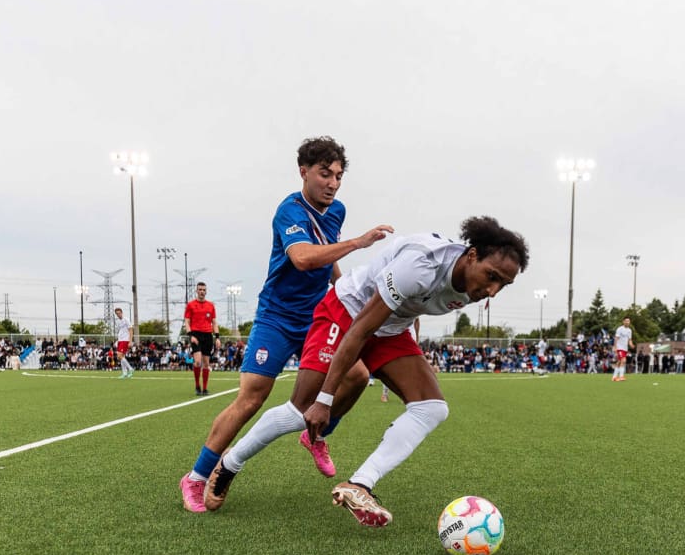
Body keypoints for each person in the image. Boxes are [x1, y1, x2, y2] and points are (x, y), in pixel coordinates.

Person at [202, 216, 529, 527]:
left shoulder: (473, 285)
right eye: (492, 277)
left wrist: (411, 356)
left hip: (391, 326)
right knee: (301, 410)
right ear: (471, 256)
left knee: (432, 407)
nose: (493, 291)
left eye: (505, 284)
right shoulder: (420, 265)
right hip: (346, 312)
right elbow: (359, 331)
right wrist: (325, 400)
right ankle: (229, 464)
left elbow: (415, 307)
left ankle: (359, 485)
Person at [179, 136, 392, 513]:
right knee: (252, 397)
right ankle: (196, 477)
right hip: (277, 316)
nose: (333, 183)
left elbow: (326, 262)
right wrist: (359, 243)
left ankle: (318, 436)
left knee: (358, 376)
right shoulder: (289, 211)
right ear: (304, 172)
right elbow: (305, 258)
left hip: (318, 316)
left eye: (339, 176)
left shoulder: (337, 210)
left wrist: (342, 292)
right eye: (325, 174)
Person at [183, 281, 219, 396]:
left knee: (206, 363)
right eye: (200, 289)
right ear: (196, 291)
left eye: (204, 290)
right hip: (195, 335)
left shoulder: (211, 305)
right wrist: (191, 335)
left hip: (208, 336)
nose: (202, 292)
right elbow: (187, 321)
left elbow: (214, 322)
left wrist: (217, 337)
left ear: (206, 291)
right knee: (197, 362)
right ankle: (197, 385)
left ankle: (204, 388)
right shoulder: (191, 305)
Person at [114, 307, 135, 379]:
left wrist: (130, 341)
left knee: (120, 356)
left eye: (119, 313)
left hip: (125, 340)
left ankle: (130, 369)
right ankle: (125, 373)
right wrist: (117, 341)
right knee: (120, 357)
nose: (118, 315)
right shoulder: (117, 321)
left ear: (122, 312)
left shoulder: (126, 319)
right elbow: (120, 331)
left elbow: (131, 330)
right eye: (117, 314)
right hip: (120, 340)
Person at [611, 317, 633, 382]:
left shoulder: (629, 330)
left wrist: (631, 344)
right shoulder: (620, 329)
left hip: (625, 348)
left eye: (628, 321)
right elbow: (616, 338)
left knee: (619, 362)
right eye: (626, 321)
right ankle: (621, 376)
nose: (627, 322)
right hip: (619, 347)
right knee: (623, 360)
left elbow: (629, 339)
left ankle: (614, 377)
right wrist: (615, 346)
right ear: (623, 321)